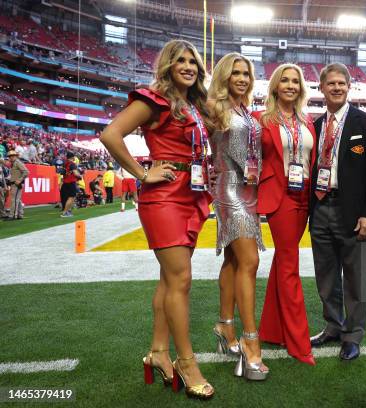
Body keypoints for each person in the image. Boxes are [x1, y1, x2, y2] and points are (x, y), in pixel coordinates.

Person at [99, 39, 215, 400]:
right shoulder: (152, 98)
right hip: (164, 195)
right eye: (180, 60)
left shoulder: (195, 104)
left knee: (169, 280)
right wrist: (141, 172)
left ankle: (158, 352)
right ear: (167, 65)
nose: (188, 66)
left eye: (193, 61)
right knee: (181, 279)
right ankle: (186, 361)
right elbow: (110, 134)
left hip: (192, 193)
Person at [309, 63, 366, 361]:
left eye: (342, 83)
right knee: (325, 276)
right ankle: (333, 325)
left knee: (355, 277)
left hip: (353, 212)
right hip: (321, 207)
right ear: (322, 88)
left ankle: (353, 334)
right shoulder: (314, 126)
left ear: (348, 87)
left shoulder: (365, 123)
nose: (337, 88)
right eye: (331, 84)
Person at [207, 52, 268, 380]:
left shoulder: (245, 109)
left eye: (246, 73)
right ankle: (250, 343)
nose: (242, 78)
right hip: (230, 191)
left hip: (248, 191)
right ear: (224, 77)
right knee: (249, 263)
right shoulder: (214, 108)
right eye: (236, 73)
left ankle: (224, 325)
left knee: (233, 262)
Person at [252, 64, 317, 365]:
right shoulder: (260, 120)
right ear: (276, 86)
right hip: (280, 198)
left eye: (295, 81)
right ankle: (299, 342)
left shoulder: (308, 122)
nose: (290, 85)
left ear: (301, 88)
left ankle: (272, 330)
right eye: (285, 81)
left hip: (305, 196)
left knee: (283, 261)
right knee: (290, 263)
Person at [5, 150, 29, 221]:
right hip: (15, 183)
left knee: (14, 199)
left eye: (12, 156)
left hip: (16, 183)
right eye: (10, 156)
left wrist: (20, 180)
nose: (11, 157)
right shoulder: (14, 163)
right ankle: (20, 214)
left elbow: (26, 172)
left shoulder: (17, 162)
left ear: (15, 156)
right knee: (18, 199)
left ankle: (12, 215)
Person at [60, 151, 80, 217]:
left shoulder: (64, 163)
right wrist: (80, 176)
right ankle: (65, 212)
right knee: (71, 197)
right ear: (72, 157)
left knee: (67, 198)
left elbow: (62, 173)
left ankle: (67, 211)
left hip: (65, 182)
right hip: (71, 182)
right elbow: (75, 173)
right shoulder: (72, 164)